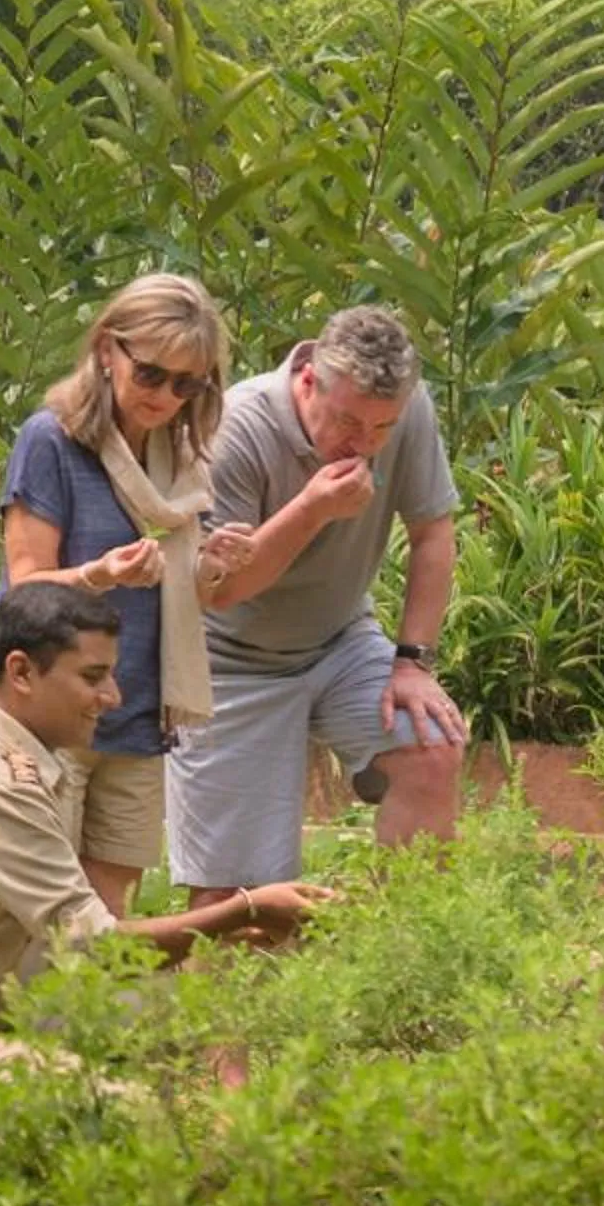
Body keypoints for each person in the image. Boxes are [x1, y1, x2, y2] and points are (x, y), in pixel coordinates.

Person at [0, 582, 327, 1150]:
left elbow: (76, 954)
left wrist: (233, 933)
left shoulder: (29, 767)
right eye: (92, 676)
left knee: (181, 1014)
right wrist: (244, 909)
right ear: (22, 672)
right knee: (125, 1113)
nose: (112, 695)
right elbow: (97, 948)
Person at [175, 304, 466, 905]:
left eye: (381, 429)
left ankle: (410, 963)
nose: (365, 444)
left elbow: (433, 534)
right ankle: (232, 996)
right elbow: (221, 589)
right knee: (236, 895)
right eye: (349, 423)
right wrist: (311, 510)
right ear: (308, 381)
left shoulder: (405, 414)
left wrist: (411, 662)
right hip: (227, 659)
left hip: (340, 641)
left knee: (433, 749)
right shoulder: (235, 429)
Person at [0, 273, 254, 915]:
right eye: (152, 375)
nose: (167, 395)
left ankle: (91, 1020)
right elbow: (25, 587)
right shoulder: (51, 439)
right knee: (35, 915)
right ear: (108, 349)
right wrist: (98, 575)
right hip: (48, 711)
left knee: (107, 922)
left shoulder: (179, 458)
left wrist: (209, 564)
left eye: (187, 383)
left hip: (135, 711)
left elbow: (177, 592)